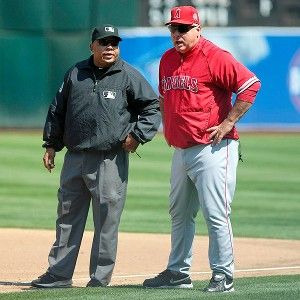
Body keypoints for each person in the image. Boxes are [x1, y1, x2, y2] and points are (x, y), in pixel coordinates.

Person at [31, 24, 161, 288]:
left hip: (109, 159)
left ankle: (99, 280)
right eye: (103, 42)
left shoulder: (127, 75)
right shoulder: (75, 73)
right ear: (92, 46)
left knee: (106, 222)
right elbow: (58, 110)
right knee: (67, 217)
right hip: (75, 157)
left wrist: (137, 136)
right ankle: (58, 275)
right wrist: (51, 144)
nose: (109, 47)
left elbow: (152, 106)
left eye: (114, 43)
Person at [143, 6, 261, 293]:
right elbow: (165, 99)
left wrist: (228, 122)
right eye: (173, 28)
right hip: (181, 150)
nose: (176, 34)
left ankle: (224, 276)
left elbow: (250, 84)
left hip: (213, 148)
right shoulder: (168, 59)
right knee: (179, 214)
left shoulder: (214, 56)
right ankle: (178, 273)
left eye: (183, 29)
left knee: (216, 213)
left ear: (198, 29)